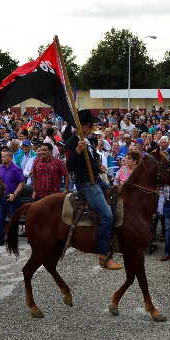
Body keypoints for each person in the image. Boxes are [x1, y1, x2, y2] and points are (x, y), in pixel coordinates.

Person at [66, 110, 121, 270]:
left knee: (116, 198)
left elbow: (90, 162)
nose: (92, 128)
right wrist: (77, 150)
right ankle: (104, 255)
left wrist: (99, 167)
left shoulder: (89, 141)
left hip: (95, 179)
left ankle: (114, 239)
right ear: (81, 125)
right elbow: (69, 166)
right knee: (106, 215)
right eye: (90, 125)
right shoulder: (72, 142)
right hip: (85, 184)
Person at [0, 148, 24, 247]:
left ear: (10, 157)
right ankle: (0, 239)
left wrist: (14, 194)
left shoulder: (16, 169)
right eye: (1, 156)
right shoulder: (0, 168)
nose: (2, 158)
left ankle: (12, 239)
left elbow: (21, 182)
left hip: (12, 197)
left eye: (4, 156)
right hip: (1, 197)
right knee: (0, 218)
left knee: (12, 219)